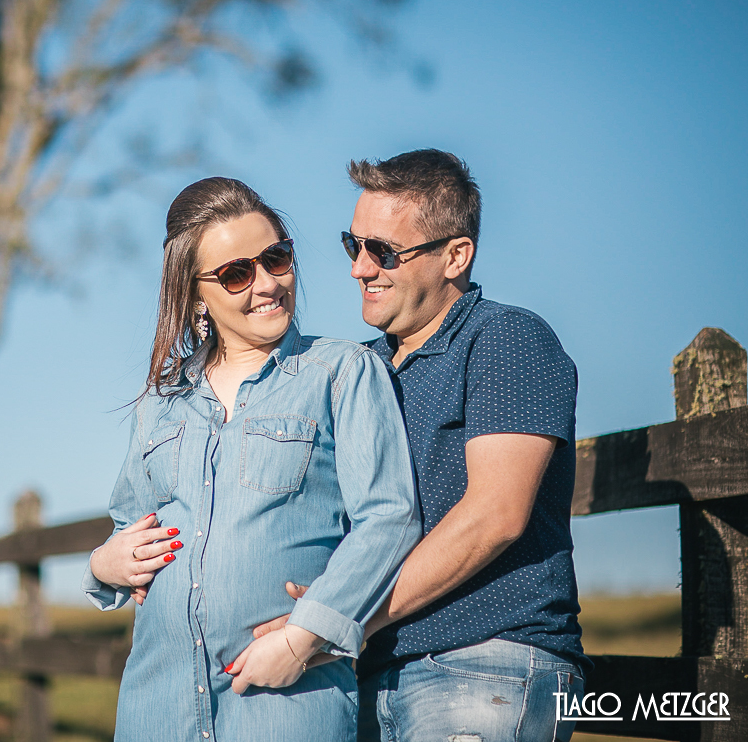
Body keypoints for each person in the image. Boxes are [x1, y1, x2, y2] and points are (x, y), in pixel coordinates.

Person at [246, 150, 588, 742]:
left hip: (485, 663)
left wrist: (334, 621)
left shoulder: (506, 338)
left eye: (383, 252)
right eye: (353, 245)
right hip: (366, 674)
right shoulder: (359, 368)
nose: (359, 269)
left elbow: (495, 517)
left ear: (456, 256)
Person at [82, 177, 422, 742]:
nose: (267, 283)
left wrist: (303, 638)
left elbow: (389, 519)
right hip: (156, 709)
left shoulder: (341, 372)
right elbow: (128, 528)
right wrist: (103, 565)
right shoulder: (160, 404)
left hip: (286, 705)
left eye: (276, 258)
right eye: (237, 273)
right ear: (195, 294)